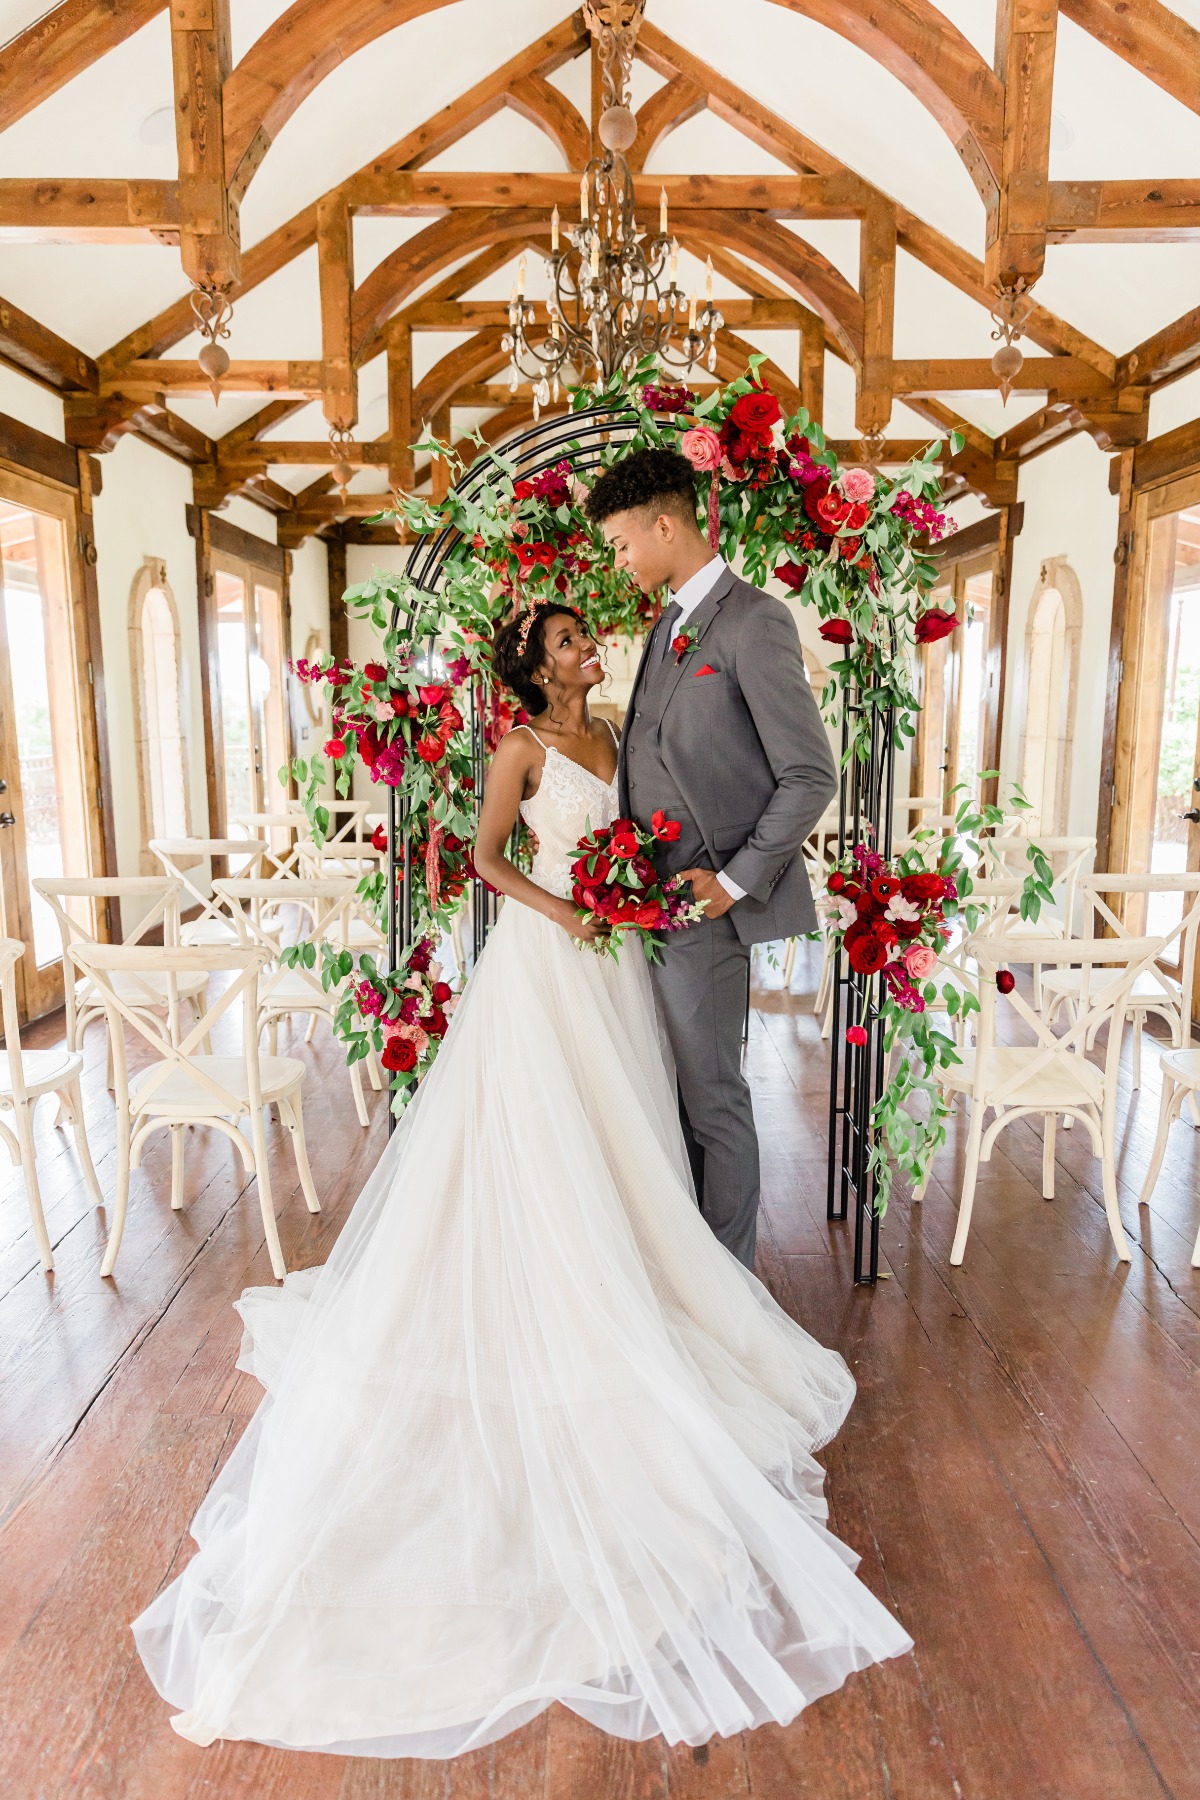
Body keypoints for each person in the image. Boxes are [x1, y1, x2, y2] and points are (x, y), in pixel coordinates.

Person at [130, 601, 910, 1760]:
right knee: (542, 1134)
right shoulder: (521, 747)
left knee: (626, 1134)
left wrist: (634, 898)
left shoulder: (624, 734)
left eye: (587, 637)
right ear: (532, 667)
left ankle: (635, 1282)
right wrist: (568, 908)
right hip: (550, 966)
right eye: (565, 643)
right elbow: (486, 861)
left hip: (616, 970)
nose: (587, 647)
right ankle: (544, 1294)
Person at [585, 448, 838, 1272]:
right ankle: (684, 1268)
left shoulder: (755, 619)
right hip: (646, 908)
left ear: (667, 525)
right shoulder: (666, 624)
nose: (618, 561)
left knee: (713, 1100)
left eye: (622, 543)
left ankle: (729, 1286)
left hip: (704, 911)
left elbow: (810, 774)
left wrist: (731, 885)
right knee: (667, 1095)